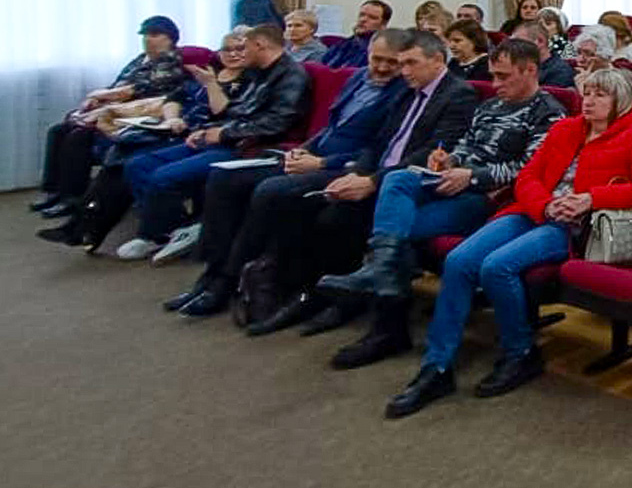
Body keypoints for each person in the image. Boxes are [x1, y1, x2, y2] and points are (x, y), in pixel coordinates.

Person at [384, 68, 632, 418]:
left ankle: (521, 353)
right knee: (458, 260)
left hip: (575, 227)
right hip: (534, 210)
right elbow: (528, 175)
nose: (588, 101)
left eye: (599, 95)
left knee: (496, 267)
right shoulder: (566, 128)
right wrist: (544, 204)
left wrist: (590, 199)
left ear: (620, 101)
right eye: (586, 93)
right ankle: (437, 367)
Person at [246, 31, 479, 355]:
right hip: (378, 174)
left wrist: (372, 181)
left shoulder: (458, 95)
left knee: (338, 218)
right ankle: (302, 291)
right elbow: (378, 142)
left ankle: (366, 316)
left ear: (438, 60)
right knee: (304, 205)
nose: (404, 71)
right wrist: (358, 173)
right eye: (402, 64)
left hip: (413, 184)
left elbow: (428, 153)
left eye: (411, 63)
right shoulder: (408, 91)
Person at [159, 29, 410, 317]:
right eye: (376, 59)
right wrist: (303, 149)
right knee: (223, 177)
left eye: (391, 62)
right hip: (311, 155)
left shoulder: (402, 93)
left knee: (269, 190)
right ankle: (210, 274)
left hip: (342, 166)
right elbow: (330, 128)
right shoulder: (358, 78)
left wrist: (321, 163)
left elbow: (379, 148)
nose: (381, 67)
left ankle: (227, 282)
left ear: (403, 62)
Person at [316, 37, 565, 309]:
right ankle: (382, 277)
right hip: (451, 180)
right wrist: (449, 159)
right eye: (493, 76)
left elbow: (529, 170)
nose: (495, 85)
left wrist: (469, 176)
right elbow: (466, 143)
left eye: (503, 77)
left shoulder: (549, 114)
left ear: (530, 70)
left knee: (395, 224)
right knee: (396, 178)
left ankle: (384, 286)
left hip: (486, 197)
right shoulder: (490, 106)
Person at [95, 25, 311, 260]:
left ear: (260, 45)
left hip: (249, 147)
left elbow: (277, 124)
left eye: (244, 47)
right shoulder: (260, 72)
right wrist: (209, 129)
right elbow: (237, 110)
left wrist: (224, 133)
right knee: (138, 165)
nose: (241, 54)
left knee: (163, 176)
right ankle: (179, 228)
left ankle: (154, 235)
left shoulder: (291, 75)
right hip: (229, 136)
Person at [33, 16, 188, 220]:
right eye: (145, 35)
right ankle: (54, 191)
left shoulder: (170, 61)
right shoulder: (139, 59)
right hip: (112, 109)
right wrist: (97, 100)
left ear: (170, 38)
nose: (148, 39)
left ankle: (72, 198)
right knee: (58, 130)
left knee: (79, 136)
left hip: (139, 113)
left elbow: (142, 89)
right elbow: (116, 85)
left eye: (155, 35)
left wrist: (101, 97)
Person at [322, 0, 392, 68]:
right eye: (362, 15)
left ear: (383, 25)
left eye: (372, 17)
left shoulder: (378, 52)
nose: (363, 19)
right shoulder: (342, 44)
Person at [509, 22, 575, 89]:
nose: (513, 47)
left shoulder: (560, 71)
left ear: (540, 41)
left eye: (519, 42)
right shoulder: (517, 64)